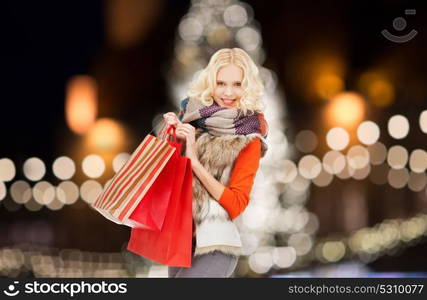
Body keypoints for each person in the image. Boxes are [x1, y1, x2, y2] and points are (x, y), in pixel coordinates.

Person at [163, 48, 268, 278]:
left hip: (215, 248)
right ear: (211, 83)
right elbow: (172, 181)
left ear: (247, 86)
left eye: (237, 84)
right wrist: (171, 135)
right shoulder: (192, 120)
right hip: (181, 241)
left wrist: (196, 164)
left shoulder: (249, 138)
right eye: (221, 83)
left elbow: (236, 203)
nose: (228, 92)